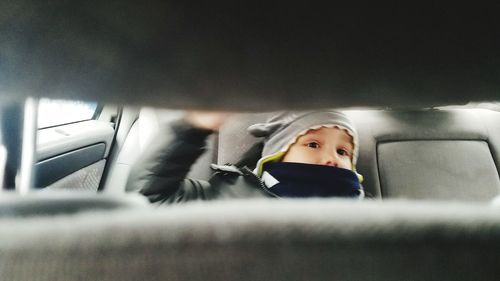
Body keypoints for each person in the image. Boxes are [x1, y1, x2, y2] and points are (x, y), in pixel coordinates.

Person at [126, 110, 365, 204]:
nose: (330, 159)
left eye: (343, 151)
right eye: (313, 144)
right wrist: (193, 128)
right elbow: (148, 198)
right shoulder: (225, 194)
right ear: (277, 154)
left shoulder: (367, 213)